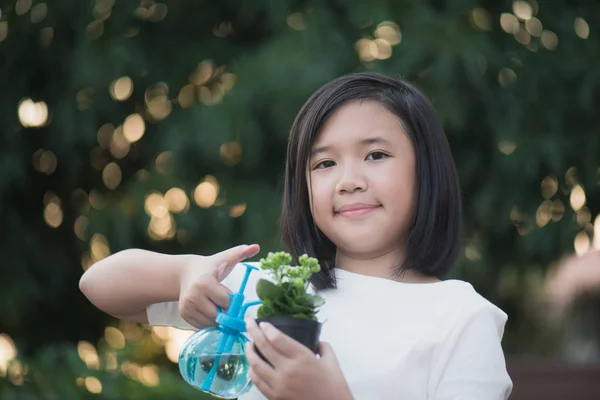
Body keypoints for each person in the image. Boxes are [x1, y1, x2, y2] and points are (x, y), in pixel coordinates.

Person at [79, 72, 513, 400]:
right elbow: (100, 284)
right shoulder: (274, 291)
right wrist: (185, 273)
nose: (349, 180)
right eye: (324, 164)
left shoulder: (460, 317)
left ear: (427, 171)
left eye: (375, 155)